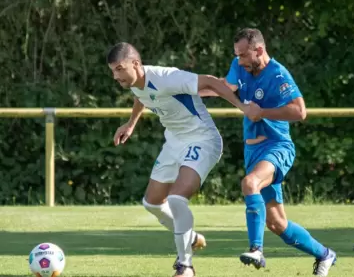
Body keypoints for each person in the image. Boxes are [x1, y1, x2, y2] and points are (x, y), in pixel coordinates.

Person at [200, 28, 336, 276]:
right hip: (253, 153)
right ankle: (325, 255)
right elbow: (225, 87)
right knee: (277, 224)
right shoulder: (240, 66)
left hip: (277, 147)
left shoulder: (278, 75)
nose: (238, 61)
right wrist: (189, 89)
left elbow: (299, 111)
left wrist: (262, 112)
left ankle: (256, 250)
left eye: (242, 56)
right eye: (237, 56)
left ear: (259, 50)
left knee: (250, 183)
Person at [106, 42, 246, 277]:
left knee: (177, 200)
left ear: (136, 64)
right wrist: (131, 124)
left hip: (202, 139)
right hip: (174, 143)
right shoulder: (135, 82)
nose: (115, 76)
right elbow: (142, 96)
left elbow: (210, 82)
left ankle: (185, 266)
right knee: (152, 203)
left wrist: (243, 107)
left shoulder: (167, 77)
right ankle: (189, 237)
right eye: (112, 71)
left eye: (119, 69)